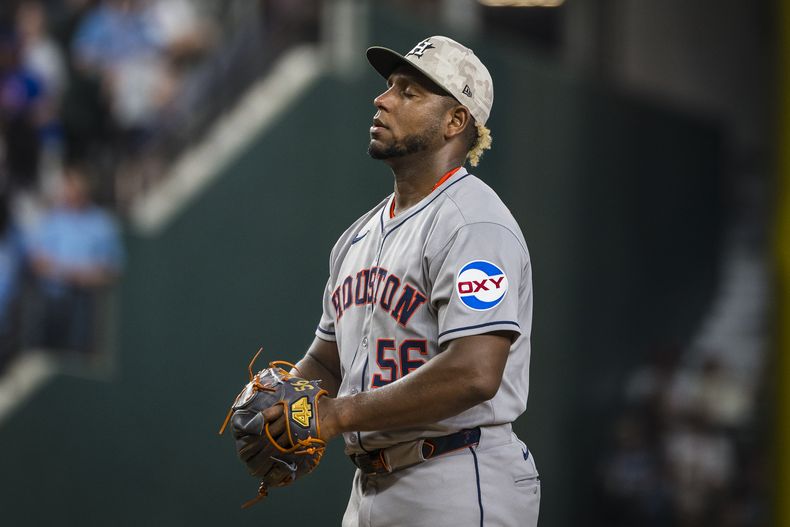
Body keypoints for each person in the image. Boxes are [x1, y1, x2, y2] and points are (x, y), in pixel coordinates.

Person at [260, 36, 540, 526]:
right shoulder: (356, 238)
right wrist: (281, 395)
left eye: (409, 92)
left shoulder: (474, 224)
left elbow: (475, 372)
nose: (383, 99)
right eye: (390, 85)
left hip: (457, 476)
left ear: (456, 121)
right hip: (371, 487)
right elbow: (329, 360)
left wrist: (335, 416)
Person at [27, 163, 123, 353]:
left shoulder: (102, 223)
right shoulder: (53, 220)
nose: (69, 191)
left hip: (85, 304)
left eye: (74, 186)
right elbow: (37, 262)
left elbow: (113, 268)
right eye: (67, 186)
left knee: (78, 351)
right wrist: (67, 273)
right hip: (52, 300)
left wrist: (86, 277)